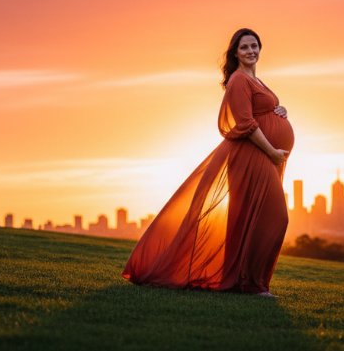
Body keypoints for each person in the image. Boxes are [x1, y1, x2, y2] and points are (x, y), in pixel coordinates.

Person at [122, 27, 294, 297]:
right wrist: (272, 151)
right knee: (275, 218)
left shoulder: (257, 81)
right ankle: (252, 284)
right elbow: (246, 123)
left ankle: (245, 282)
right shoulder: (239, 80)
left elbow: (262, 112)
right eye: (245, 47)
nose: (251, 51)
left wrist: (280, 110)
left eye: (254, 46)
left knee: (251, 219)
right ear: (235, 53)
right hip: (253, 156)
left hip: (262, 157)